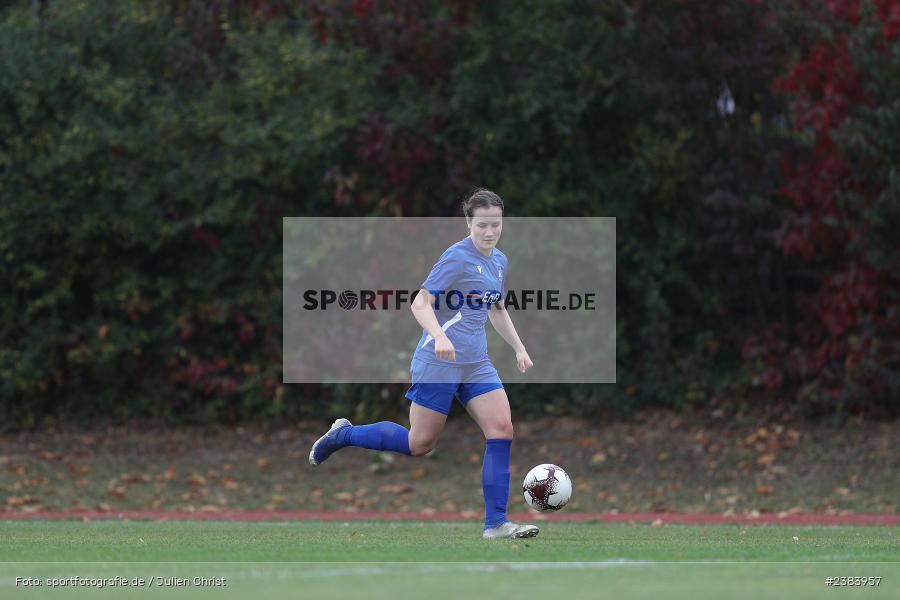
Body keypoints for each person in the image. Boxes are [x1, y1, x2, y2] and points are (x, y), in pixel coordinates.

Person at [309, 189, 537, 539]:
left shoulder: (499, 261)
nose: (490, 232)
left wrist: (519, 347)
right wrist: (440, 336)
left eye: (496, 225)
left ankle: (496, 524)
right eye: (482, 226)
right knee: (420, 444)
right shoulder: (457, 258)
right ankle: (345, 433)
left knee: (502, 429)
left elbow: (496, 307)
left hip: (476, 363)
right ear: (469, 224)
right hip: (438, 361)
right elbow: (419, 302)